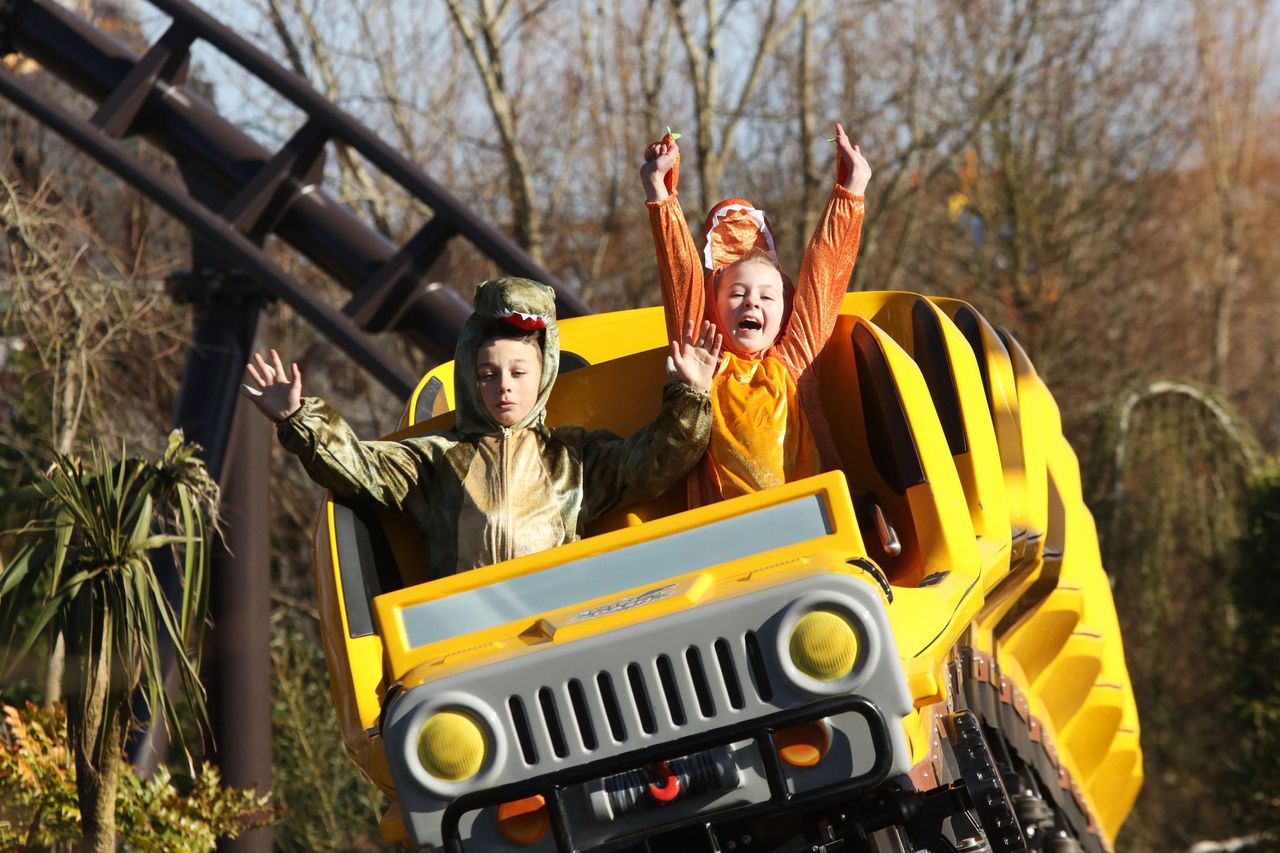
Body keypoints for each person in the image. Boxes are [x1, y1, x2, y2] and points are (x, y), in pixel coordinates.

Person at [240, 276, 721, 577]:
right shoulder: (434, 459)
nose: (504, 387)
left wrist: (690, 394)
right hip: (466, 632)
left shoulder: (572, 457)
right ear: (472, 378)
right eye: (488, 374)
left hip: (558, 621)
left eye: (518, 373)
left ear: (543, 375)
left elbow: (654, 461)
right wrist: (298, 418)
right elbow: (359, 465)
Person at [640, 123, 871, 506]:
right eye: (737, 294)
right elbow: (680, 274)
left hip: (811, 527)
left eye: (767, 297)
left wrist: (852, 189)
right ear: (714, 305)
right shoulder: (704, 358)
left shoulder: (794, 361)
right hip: (729, 540)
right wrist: (659, 191)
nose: (752, 304)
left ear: (786, 311)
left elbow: (824, 275)